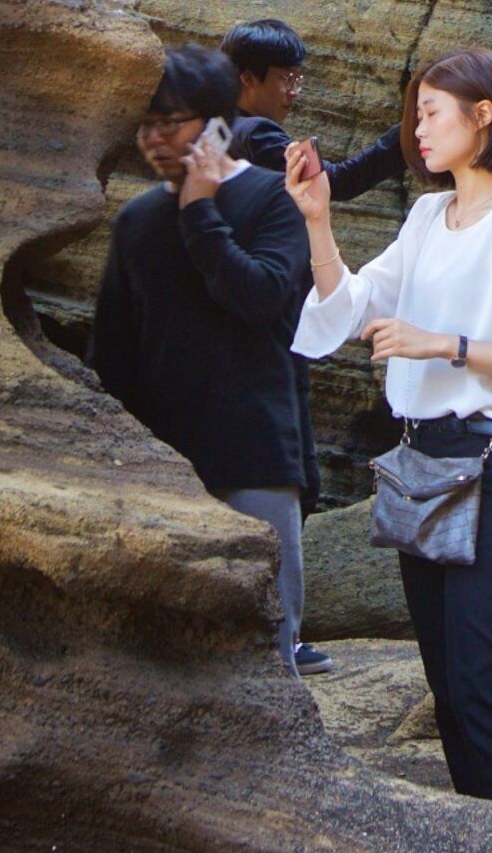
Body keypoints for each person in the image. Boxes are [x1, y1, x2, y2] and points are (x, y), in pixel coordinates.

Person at [282, 49, 492, 812]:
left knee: (482, 684)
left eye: (433, 113)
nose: (418, 129)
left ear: (484, 117)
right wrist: (318, 221)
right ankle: (486, 848)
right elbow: (349, 307)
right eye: (416, 116)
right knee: (446, 686)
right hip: (424, 466)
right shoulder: (423, 217)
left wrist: (438, 343)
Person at [87, 47, 331, 676]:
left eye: (172, 122)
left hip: (253, 456)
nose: (155, 139)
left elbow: (259, 298)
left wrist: (199, 210)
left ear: (219, 124)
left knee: (265, 653)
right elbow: (111, 356)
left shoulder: (274, 202)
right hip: (161, 464)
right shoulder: (137, 222)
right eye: (146, 126)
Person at [221, 18, 411, 202]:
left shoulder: (215, 125)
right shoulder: (258, 133)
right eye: (287, 78)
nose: (294, 92)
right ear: (248, 78)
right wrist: (411, 130)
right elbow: (338, 181)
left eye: (297, 80)